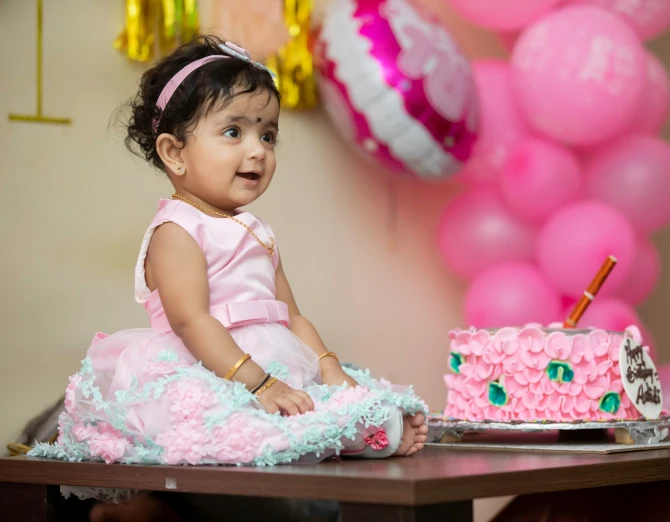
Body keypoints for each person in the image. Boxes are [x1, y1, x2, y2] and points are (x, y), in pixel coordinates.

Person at [30, 35, 427, 487]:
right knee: (236, 424)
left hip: (277, 361)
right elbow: (193, 323)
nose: (257, 150)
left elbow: (291, 315)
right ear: (174, 152)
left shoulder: (258, 231)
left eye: (268, 134)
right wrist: (259, 384)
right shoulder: (177, 231)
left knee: (327, 398)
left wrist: (331, 370)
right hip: (214, 367)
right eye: (234, 132)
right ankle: (348, 435)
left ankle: (351, 425)